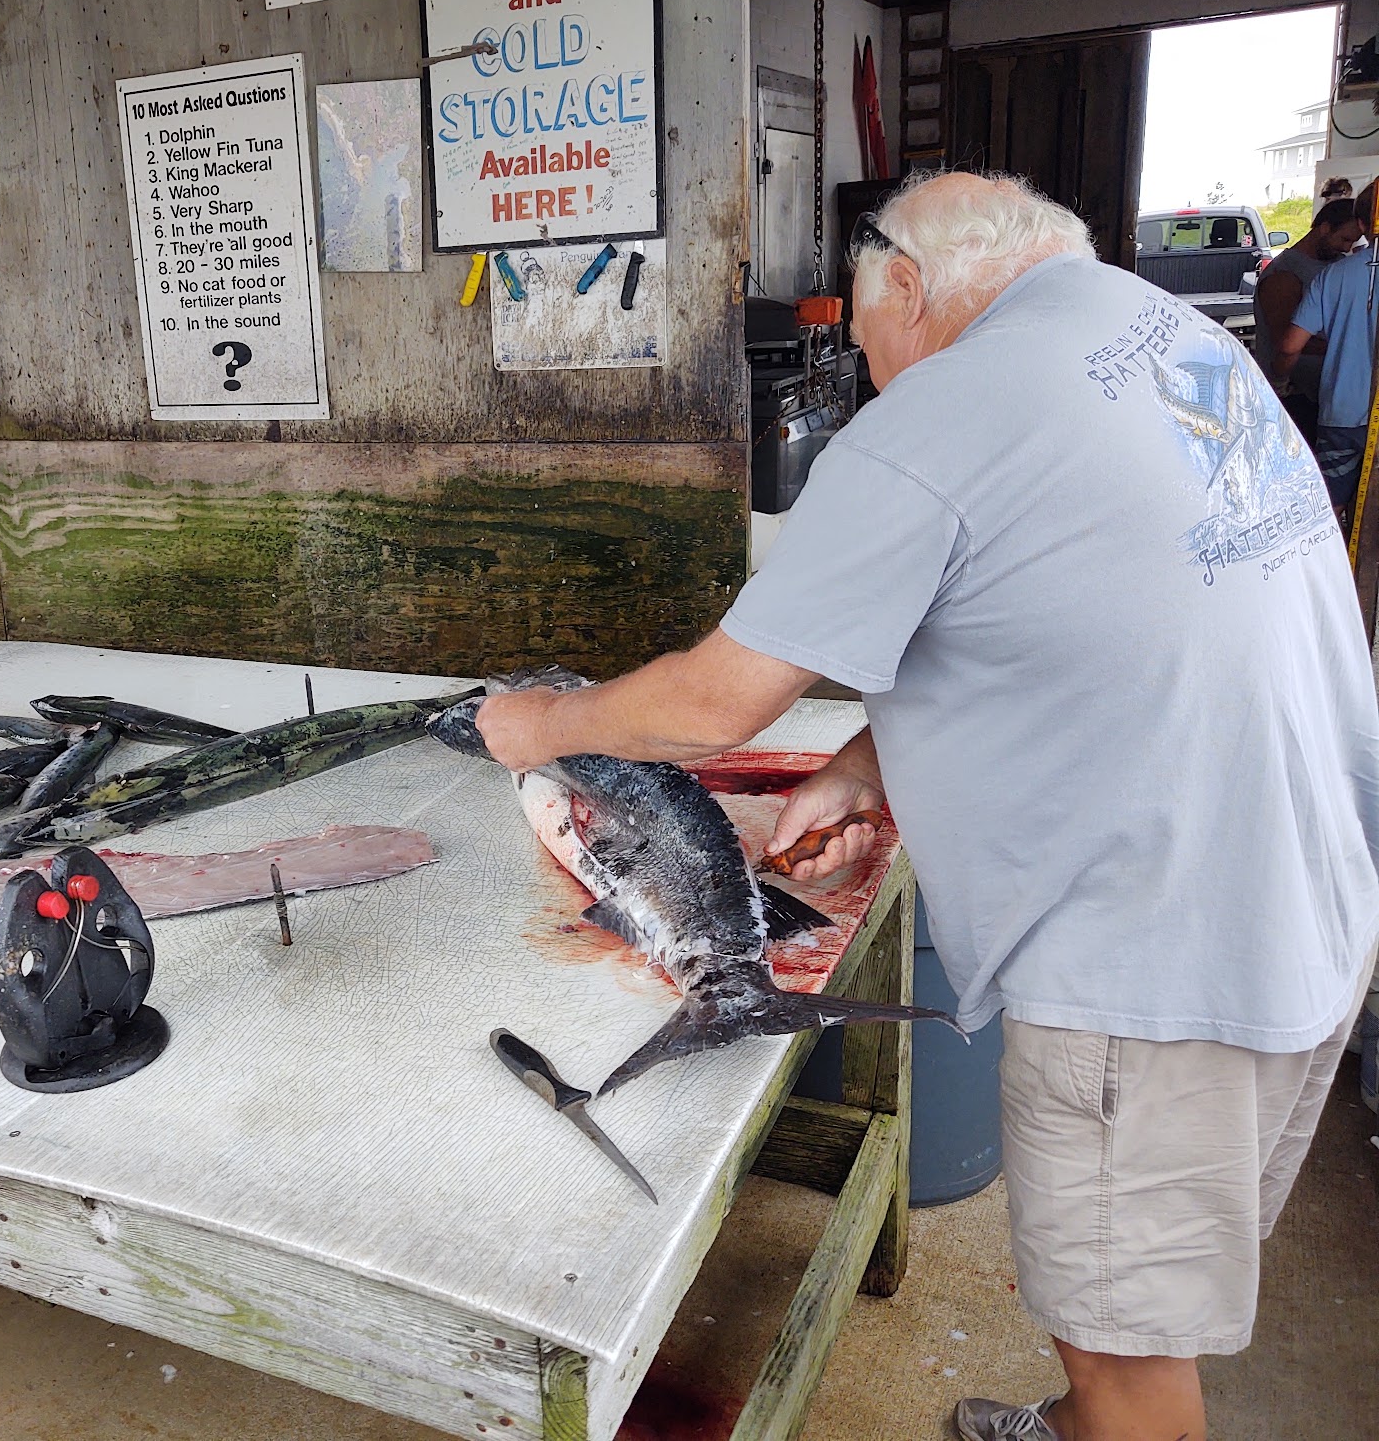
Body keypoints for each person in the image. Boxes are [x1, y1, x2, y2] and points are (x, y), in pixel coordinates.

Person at [476, 173, 1379, 1441]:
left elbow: (708, 708)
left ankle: (1105, 1419)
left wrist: (525, 725)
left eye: (855, 322)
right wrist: (868, 761)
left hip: (1155, 966)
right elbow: (1088, 608)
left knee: (1134, 1360)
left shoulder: (944, 410)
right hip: (1312, 902)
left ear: (905, 284)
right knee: (1139, 1303)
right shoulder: (1156, 333)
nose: (856, 354)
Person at [1253, 198, 1362, 438]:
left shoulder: (1340, 266)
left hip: (1329, 396)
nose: (1347, 248)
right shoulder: (1285, 275)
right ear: (1324, 228)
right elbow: (1286, 342)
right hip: (1293, 396)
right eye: (1344, 239)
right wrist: (1349, 347)